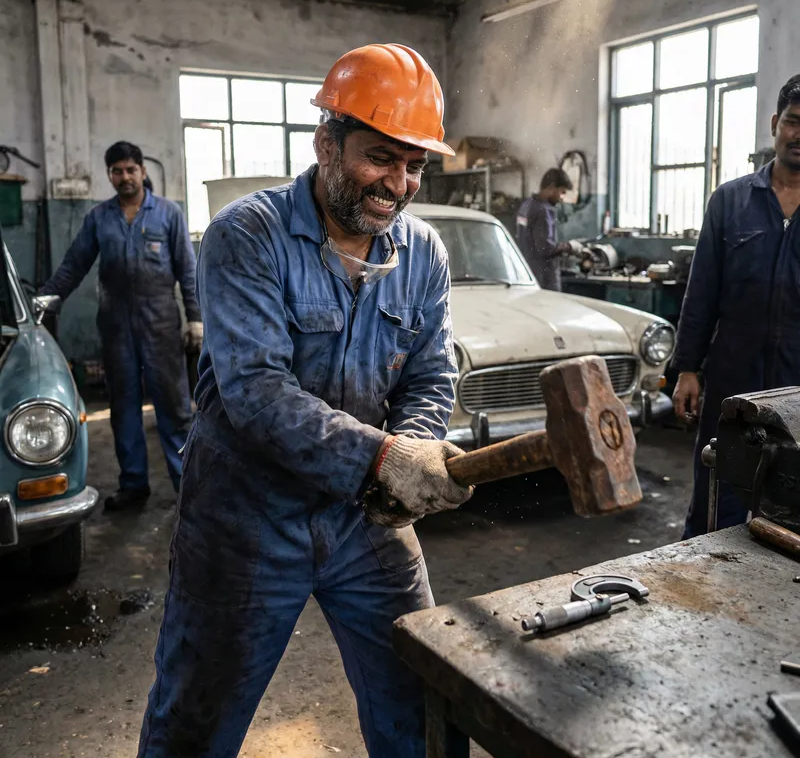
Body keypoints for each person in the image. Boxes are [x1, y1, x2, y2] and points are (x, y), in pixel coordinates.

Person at [136, 44, 473, 758]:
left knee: (422, 709)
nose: (400, 183)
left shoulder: (426, 255)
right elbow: (256, 393)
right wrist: (382, 456)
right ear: (326, 141)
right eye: (381, 157)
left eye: (415, 165)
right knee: (193, 725)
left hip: (364, 521)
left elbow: (428, 377)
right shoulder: (246, 235)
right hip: (245, 518)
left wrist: (408, 453)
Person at [41, 141, 202, 511]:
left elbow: (187, 270)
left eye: (131, 169)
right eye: (117, 171)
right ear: (109, 175)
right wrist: (48, 299)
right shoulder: (99, 218)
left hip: (160, 323)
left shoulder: (168, 214)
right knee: (124, 407)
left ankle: (188, 487)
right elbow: (74, 265)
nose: (125, 177)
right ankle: (133, 485)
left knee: (175, 409)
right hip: (115, 327)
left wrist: (195, 317)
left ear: (143, 171)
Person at [672, 74, 800, 538]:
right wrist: (688, 368)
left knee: (790, 514)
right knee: (716, 502)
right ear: (775, 124)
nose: (799, 135)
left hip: (797, 391)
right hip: (732, 385)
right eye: (793, 122)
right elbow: (701, 292)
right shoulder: (730, 201)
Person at [515, 167, 582, 290]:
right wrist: (570, 247)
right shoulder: (544, 211)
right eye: (562, 192)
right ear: (551, 187)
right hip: (544, 277)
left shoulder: (526, 205)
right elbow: (546, 248)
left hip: (526, 274)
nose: (562, 198)